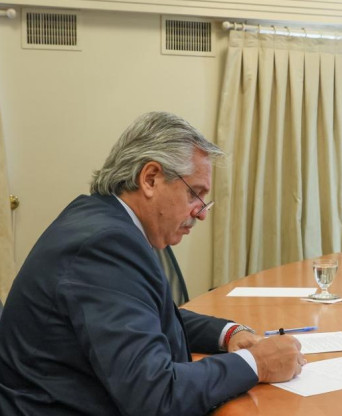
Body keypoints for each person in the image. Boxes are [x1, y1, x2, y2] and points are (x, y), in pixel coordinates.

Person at [0, 112, 306, 415]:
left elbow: (148, 315)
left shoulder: (100, 220)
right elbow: (156, 397)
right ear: (150, 179)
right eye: (195, 195)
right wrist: (258, 364)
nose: (201, 213)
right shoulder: (105, 245)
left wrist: (228, 333)